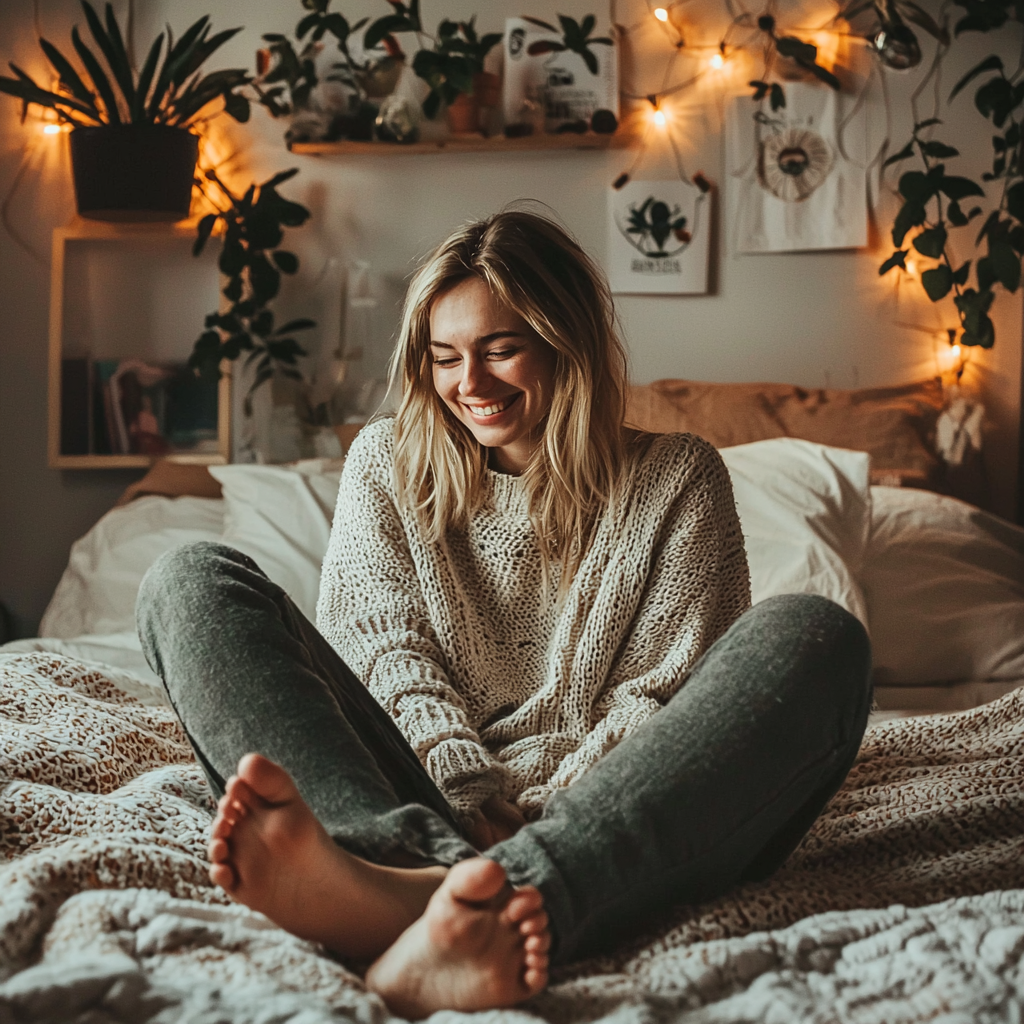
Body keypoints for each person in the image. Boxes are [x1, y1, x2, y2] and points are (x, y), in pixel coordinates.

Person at [137, 210, 871, 1020]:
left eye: (500, 349)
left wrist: (545, 820)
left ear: (568, 341)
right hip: (416, 791)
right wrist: (462, 790)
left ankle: (421, 901)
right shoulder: (385, 461)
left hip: (610, 806)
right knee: (189, 579)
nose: (470, 385)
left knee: (817, 635)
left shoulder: (678, 479)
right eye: (444, 357)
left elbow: (661, 700)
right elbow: (385, 650)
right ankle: (405, 874)